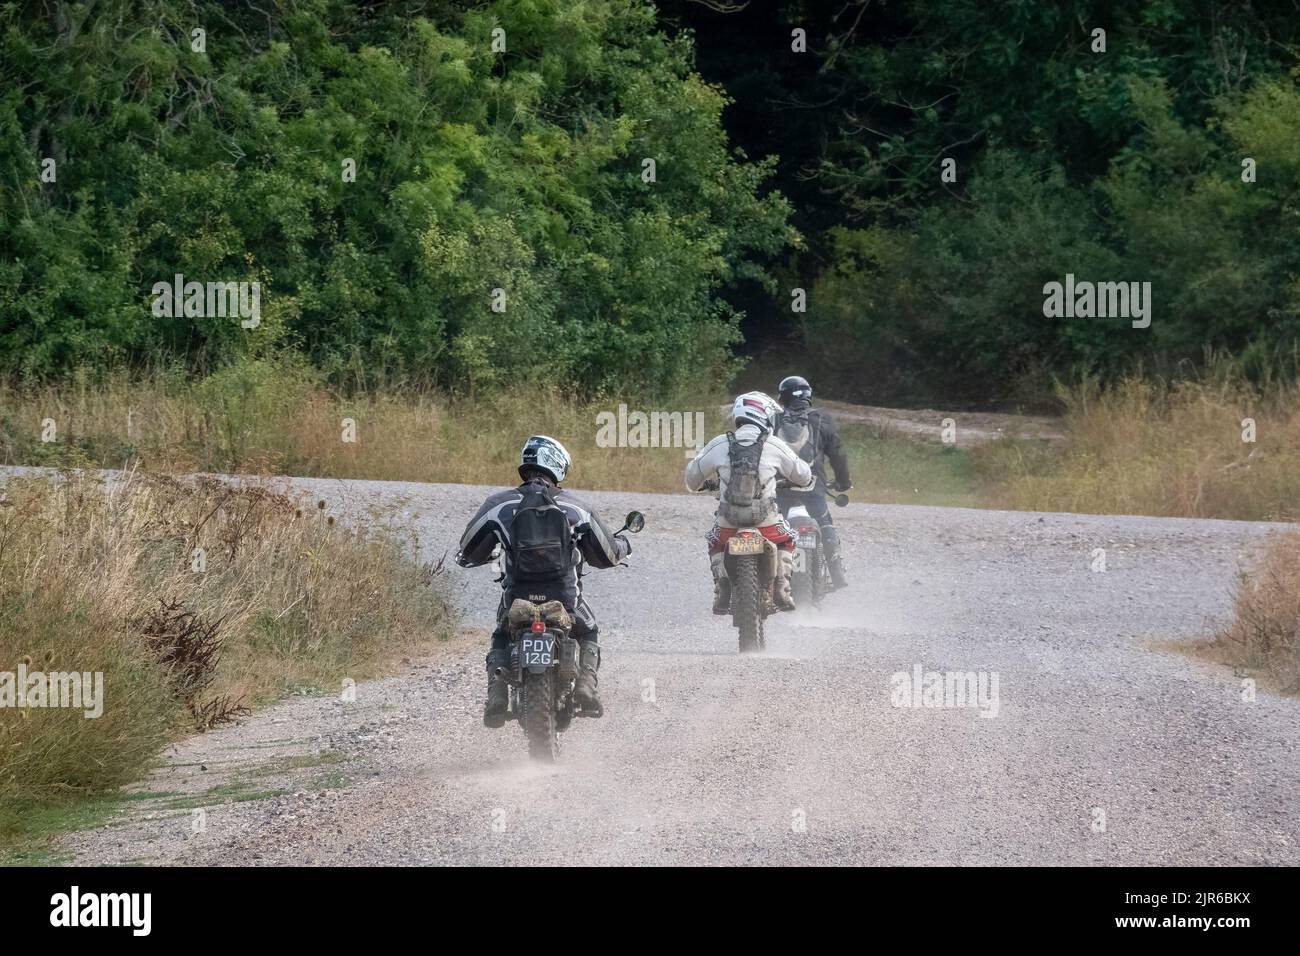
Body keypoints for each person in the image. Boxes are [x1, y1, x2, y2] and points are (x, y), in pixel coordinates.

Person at [456, 435, 631, 727]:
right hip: (566, 600)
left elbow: (468, 550)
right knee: (588, 631)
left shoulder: (498, 505)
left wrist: (476, 556)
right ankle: (586, 684)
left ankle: (497, 692)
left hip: (517, 600)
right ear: (558, 465)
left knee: (501, 633)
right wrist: (624, 545)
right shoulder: (577, 509)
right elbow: (607, 555)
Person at [685, 391, 814, 614]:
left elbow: (691, 478)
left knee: (714, 542)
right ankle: (781, 585)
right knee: (789, 538)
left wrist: (702, 484)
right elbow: (802, 475)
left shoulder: (719, 443)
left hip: (728, 524)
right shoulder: (774, 444)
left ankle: (722, 586)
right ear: (764, 416)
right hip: (767, 524)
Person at [774, 374, 852, 590]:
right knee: (824, 520)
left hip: (780, 489)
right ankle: (836, 572)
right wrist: (843, 482)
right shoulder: (821, 419)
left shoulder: (774, 420)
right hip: (814, 488)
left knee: (771, 525)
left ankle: (764, 574)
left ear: (783, 398)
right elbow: (838, 454)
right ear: (809, 396)